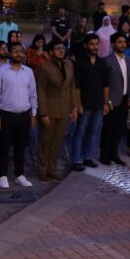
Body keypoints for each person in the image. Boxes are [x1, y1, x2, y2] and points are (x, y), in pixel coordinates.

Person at [0, 43, 37, 188]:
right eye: (15, 51)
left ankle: (19, 175)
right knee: (4, 147)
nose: (18, 54)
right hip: (6, 115)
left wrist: (34, 113)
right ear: (9, 53)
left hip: (24, 115)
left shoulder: (29, 72)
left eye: (21, 51)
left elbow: (33, 94)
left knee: (21, 146)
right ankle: (2, 176)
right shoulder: (1, 71)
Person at [35, 40, 78, 180]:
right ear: (50, 52)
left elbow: (72, 87)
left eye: (63, 48)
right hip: (49, 110)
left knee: (57, 142)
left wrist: (74, 107)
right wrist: (43, 113)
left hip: (64, 109)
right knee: (45, 142)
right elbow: (40, 91)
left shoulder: (69, 64)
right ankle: (42, 170)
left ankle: (52, 169)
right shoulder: (44, 68)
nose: (61, 50)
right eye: (58, 48)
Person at [70, 34, 105, 172]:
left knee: (94, 131)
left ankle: (87, 157)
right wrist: (78, 104)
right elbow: (77, 86)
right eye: (92, 44)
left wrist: (105, 102)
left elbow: (105, 85)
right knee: (80, 131)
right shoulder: (80, 62)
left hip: (98, 103)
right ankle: (76, 159)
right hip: (84, 103)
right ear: (85, 45)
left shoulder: (101, 62)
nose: (95, 47)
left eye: (96, 44)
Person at [100, 33, 130, 166]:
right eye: (119, 42)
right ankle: (104, 155)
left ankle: (114, 154)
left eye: (124, 42)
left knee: (119, 129)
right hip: (112, 101)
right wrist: (107, 101)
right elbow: (104, 83)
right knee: (108, 128)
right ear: (113, 44)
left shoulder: (128, 59)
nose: (123, 44)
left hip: (124, 99)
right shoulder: (107, 61)